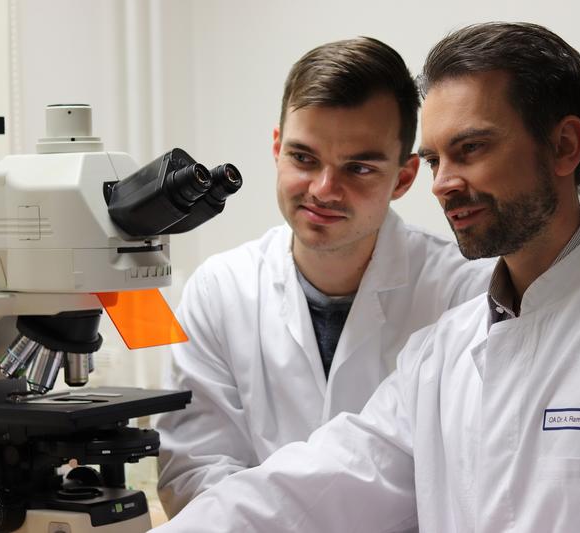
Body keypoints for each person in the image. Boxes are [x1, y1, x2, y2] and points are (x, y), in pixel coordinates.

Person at [154, 23, 580, 532]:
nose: (443, 183)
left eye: (472, 149)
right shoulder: (446, 348)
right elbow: (310, 491)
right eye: (434, 158)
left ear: (564, 148)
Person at [155, 36, 494, 517]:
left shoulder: (466, 291)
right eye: (303, 158)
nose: (323, 190)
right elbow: (194, 469)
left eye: (358, 167)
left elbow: (469, 477)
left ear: (403, 178)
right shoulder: (219, 289)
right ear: (276, 148)